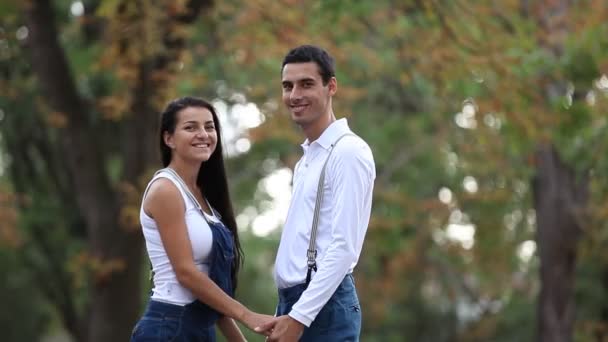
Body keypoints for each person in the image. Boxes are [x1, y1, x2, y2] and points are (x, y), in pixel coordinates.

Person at [256, 45, 376, 341]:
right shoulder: (308, 160)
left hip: (322, 308)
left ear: (331, 86)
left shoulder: (348, 152)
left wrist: (299, 316)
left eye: (306, 84)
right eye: (288, 86)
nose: (295, 95)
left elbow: (344, 247)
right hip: (297, 304)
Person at [131, 96, 273, 341]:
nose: (203, 134)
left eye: (209, 127)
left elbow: (210, 287)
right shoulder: (165, 189)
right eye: (190, 127)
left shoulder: (205, 199)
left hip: (199, 329)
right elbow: (186, 273)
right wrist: (248, 315)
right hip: (169, 326)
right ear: (169, 139)